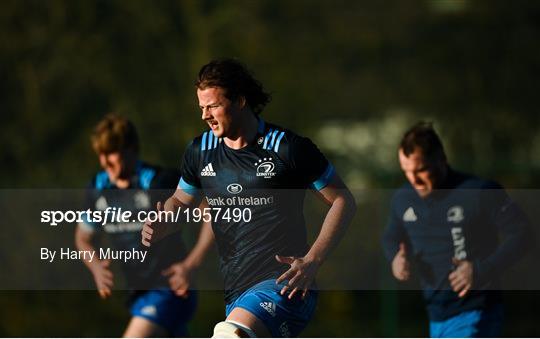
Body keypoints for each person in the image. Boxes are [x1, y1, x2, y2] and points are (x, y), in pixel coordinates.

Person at [141, 58, 357, 337]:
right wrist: (165, 219)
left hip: (284, 284)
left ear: (240, 101)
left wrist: (313, 260)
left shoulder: (287, 148)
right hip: (235, 292)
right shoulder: (200, 150)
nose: (205, 115)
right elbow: (181, 201)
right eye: (202, 107)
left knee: (230, 335)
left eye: (214, 106)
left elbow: (343, 200)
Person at [382, 122, 532, 337]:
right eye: (406, 171)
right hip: (436, 317)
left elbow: (522, 234)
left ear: (441, 159)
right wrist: (394, 258)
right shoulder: (402, 199)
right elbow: (390, 237)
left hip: (476, 311)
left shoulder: (478, 191)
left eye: (421, 170)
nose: (413, 180)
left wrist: (482, 269)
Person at [76, 114, 214, 337]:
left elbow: (210, 212)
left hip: (170, 289)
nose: (105, 162)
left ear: (131, 149)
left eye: (111, 153)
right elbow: (83, 238)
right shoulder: (97, 188)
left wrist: (191, 264)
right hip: (136, 295)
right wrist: (95, 267)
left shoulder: (160, 182)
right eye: (100, 154)